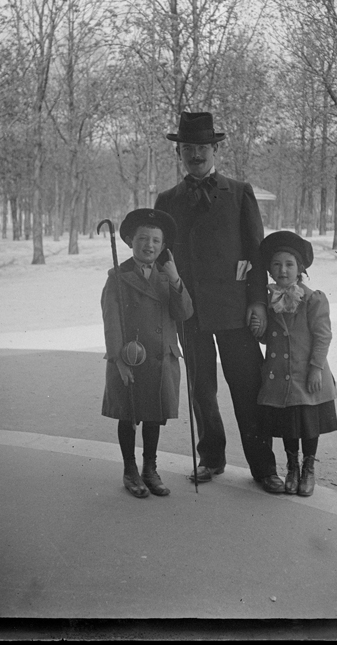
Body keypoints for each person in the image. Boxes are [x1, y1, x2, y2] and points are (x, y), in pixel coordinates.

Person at [155, 111, 284, 493]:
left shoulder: (239, 191)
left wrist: (258, 304)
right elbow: (162, 257)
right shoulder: (167, 200)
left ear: (215, 149)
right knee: (202, 388)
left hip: (235, 310)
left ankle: (264, 467)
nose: (196, 154)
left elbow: (256, 255)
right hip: (190, 312)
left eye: (202, 147)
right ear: (180, 153)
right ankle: (211, 456)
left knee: (247, 388)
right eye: (188, 148)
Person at [101, 208, 193, 499]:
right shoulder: (117, 277)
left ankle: (149, 468)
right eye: (143, 238)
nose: (149, 245)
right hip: (130, 360)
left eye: (155, 240)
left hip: (161, 358)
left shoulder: (168, 277)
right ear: (130, 241)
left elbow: (184, 313)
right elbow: (111, 322)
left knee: (154, 415)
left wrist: (177, 281)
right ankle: (130, 469)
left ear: (163, 246)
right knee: (128, 415)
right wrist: (118, 360)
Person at [256, 230, 337, 497]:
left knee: (308, 424)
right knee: (289, 424)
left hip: (306, 373)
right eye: (277, 265)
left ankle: (308, 469)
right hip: (281, 375)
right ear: (269, 269)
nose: (283, 270)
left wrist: (316, 368)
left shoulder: (313, 298)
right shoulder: (268, 300)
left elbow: (323, 335)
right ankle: (292, 467)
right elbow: (270, 339)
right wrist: (259, 329)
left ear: (300, 268)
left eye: (289, 264)